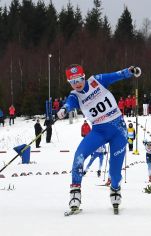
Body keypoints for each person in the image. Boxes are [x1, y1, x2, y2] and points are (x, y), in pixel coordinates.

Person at [57, 64, 141, 213]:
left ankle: (115, 188)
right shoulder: (75, 95)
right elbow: (69, 103)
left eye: (78, 79)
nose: (77, 84)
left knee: (115, 172)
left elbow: (116, 74)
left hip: (118, 130)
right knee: (79, 156)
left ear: (83, 77)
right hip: (99, 131)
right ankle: (75, 192)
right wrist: (64, 109)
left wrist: (129, 72)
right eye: (72, 81)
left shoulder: (97, 81)